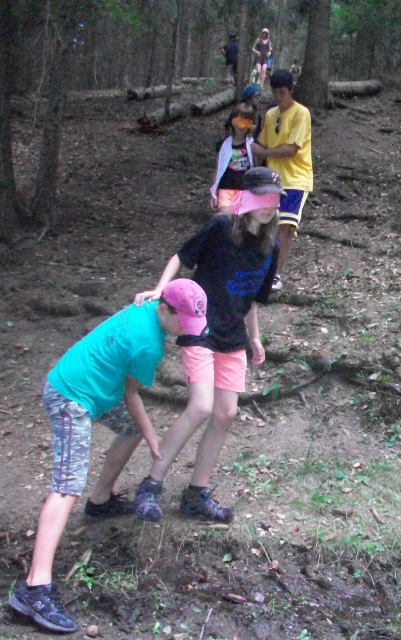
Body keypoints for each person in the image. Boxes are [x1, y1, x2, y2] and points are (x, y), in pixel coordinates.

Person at [8, 279, 208, 634]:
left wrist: (144, 432)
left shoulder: (148, 306)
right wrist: (153, 436)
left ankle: (100, 501)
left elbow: (128, 399)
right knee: (66, 487)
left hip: (87, 387)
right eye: (184, 322)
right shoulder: (148, 345)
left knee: (129, 429)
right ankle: (35, 588)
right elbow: (131, 395)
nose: (186, 331)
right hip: (71, 397)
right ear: (164, 309)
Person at [133, 167, 285, 526]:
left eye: (274, 200)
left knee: (225, 414)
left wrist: (255, 337)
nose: (268, 206)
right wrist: (161, 289)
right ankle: (151, 484)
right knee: (201, 406)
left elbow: (250, 298)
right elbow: (181, 256)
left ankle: (196, 494)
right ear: (246, 199)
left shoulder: (270, 247)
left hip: (233, 335)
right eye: (261, 197)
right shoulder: (220, 228)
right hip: (199, 326)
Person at [251, 68, 313, 291]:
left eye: (283, 93)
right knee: (265, 225)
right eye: (275, 92)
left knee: (285, 226)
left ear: (291, 91)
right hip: (273, 179)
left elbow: (291, 149)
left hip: (296, 178)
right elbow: (261, 144)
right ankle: (261, 270)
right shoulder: (270, 115)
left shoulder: (301, 113)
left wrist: (264, 152)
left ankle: (276, 275)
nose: (279, 97)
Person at [211, 103, 255, 213]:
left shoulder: (252, 145)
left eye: (246, 122)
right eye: (239, 121)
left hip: (245, 190)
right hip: (226, 189)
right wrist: (214, 192)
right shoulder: (223, 145)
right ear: (232, 121)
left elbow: (256, 167)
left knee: (241, 219)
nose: (242, 126)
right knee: (225, 217)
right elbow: (218, 168)